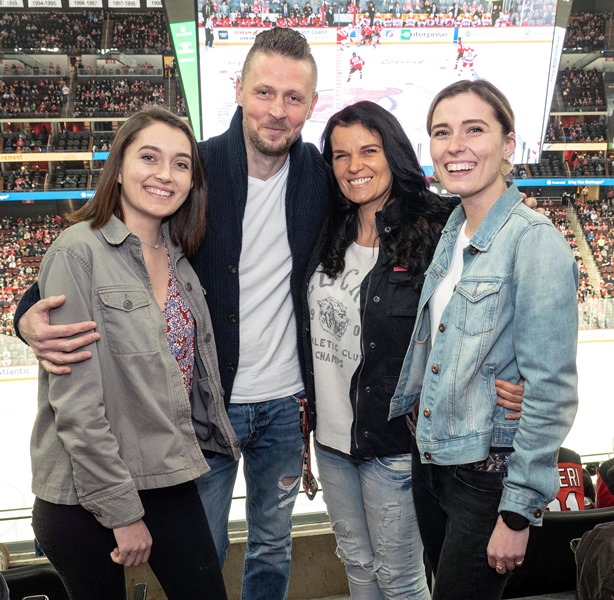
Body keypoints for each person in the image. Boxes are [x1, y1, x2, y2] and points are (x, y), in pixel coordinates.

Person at [14, 28, 328, 600]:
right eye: (264, 92)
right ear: (238, 90)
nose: (277, 111)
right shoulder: (193, 168)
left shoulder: (319, 175)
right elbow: (98, 250)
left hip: (284, 405)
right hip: (203, 412)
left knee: (272, 547)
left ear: (312, 105)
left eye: (293, 98)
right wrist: (27, 312)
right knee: (199, 551)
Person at [303, 101, 525, 599]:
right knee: (358, 568)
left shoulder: (438, 227)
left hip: (397, 443)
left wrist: (522, 376)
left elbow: (491, 305)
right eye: (340, 155)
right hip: (334, 440)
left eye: (368, 150)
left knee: (400, 579)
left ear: (394, 153)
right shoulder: (328, 229)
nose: (354, 165)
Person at [28, 106, 233, 600]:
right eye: (150, 157)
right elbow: (77, 407)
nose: (166, 174)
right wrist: (123, 514)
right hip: (84, 495)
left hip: (166, 476)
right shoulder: (78, 251)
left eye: (181, 164)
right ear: (119, 168)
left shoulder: (182, 261)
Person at [389, 80, 579, 599]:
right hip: (433, 461)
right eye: (442, 132)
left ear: (509, 143)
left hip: (484, 477)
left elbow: (553, 389)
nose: (456, 145)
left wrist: (518, 511)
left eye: (475, 129)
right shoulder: (453, 230)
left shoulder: (534, 242)